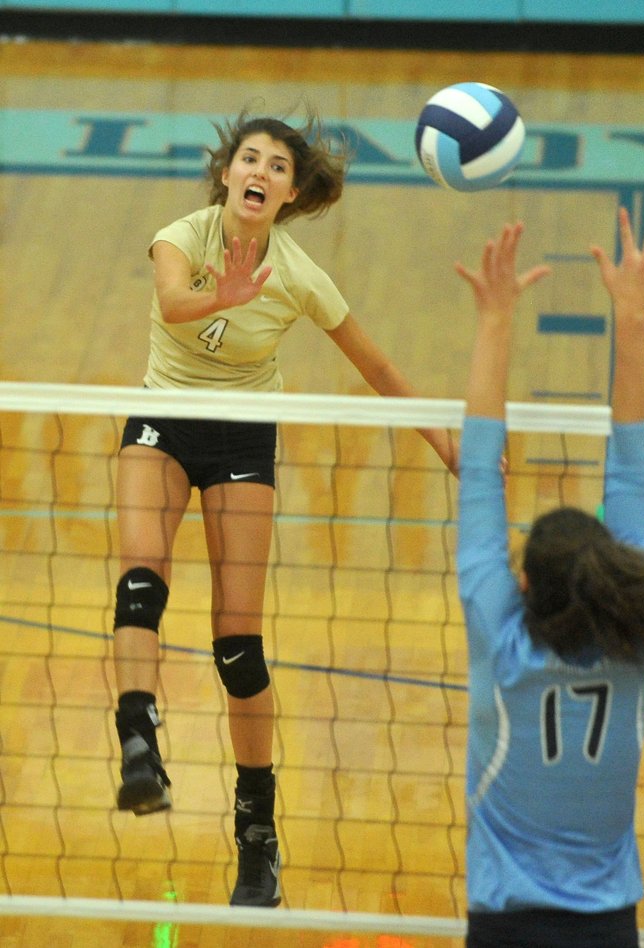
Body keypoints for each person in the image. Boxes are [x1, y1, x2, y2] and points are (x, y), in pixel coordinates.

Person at [111, 107, 458, 909]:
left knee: (239, 646)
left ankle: (256, 836)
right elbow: (171, 303)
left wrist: (447, 443)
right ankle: (139, 743)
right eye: (249, 159)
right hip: (160, 422)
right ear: (226, 173)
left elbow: (376, 366)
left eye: (275, 166)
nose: (259, 173)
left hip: (239, 442)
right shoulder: (181, 236)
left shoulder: (300, 274)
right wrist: (222, 293)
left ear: (291, 191)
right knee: (139, 585)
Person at [454, 208, 644, 948]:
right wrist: (632, 319)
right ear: (611, 572)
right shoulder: (633, 642)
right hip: (609, 928)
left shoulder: (500, 645)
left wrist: (495, 320)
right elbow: (632, 464)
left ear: (524, 588)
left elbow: (479, 466)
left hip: (504, 926)